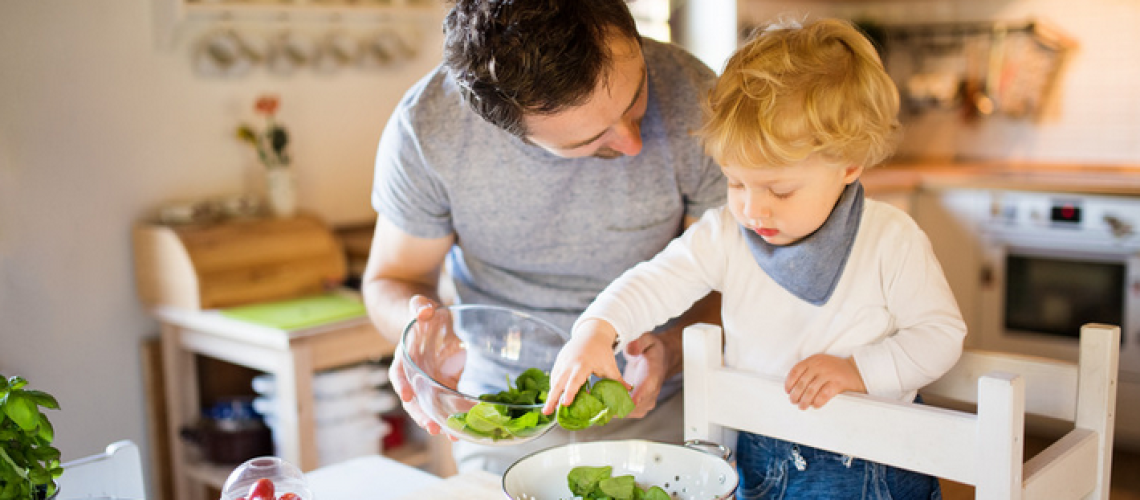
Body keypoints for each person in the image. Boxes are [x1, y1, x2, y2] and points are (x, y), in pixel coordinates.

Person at [544, 18, 966, 499]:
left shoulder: (890, 239)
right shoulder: (726, 232)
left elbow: (940, 336)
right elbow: (656, 281)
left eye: (780, 190)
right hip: (757, 457)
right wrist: (597, 330)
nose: (752, 208)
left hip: (868, 465)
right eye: (737, 182)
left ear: (849, 164)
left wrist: (860, 371)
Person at [361, 0, 726, 474]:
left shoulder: (699, 98)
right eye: (588, 141)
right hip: (502, 413)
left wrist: (673, 350)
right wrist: (419, 334)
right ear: (506, 129)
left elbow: (733, 274)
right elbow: (393, 277)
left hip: (664, 408)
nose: (633, 143)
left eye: (636, 98)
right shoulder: (429, 128)